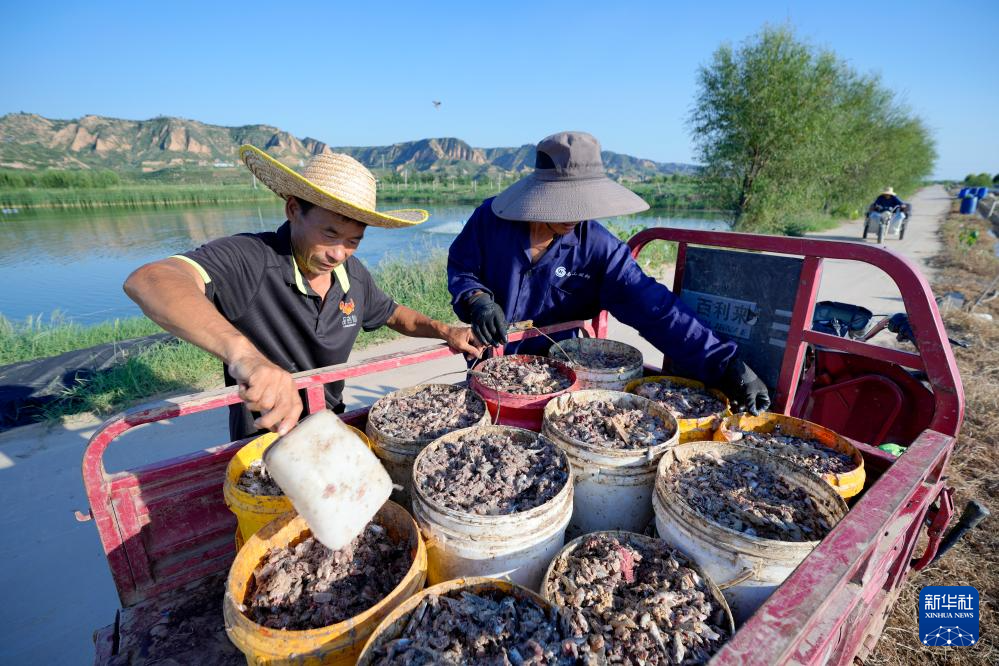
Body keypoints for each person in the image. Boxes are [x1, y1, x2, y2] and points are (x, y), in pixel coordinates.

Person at [125, 146, 484, 440]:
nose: (339, 253)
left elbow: (391, 313)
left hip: (330, 426)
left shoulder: (351, 275)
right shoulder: (250, 258)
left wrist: (445, 330)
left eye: (353, 241)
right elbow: (151, 279)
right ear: (294, 210)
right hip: (266, 438)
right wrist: (246, 358)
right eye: (329, 234)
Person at [447, 131, 770, 414]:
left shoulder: (599, 248)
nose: (573, 215)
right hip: (490, 373)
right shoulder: (491, 222)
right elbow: (462, 268)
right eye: (563, 203)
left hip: (562, 379)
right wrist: (478, 301)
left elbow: (655, 308)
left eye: (582, 203)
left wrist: (725, 364)